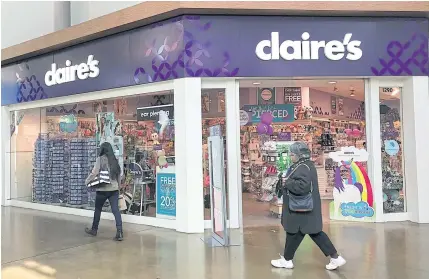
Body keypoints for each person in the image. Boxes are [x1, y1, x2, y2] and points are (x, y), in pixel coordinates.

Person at [271, 142, 346, 270]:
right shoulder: (306, 165)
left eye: (292, 154)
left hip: (300, 208)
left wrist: (287, 182)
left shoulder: (302, 167)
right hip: (305, 208)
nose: (291, 156)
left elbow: (302, 187)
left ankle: (288, 260)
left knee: (297, 232)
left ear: (299, 155)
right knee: (305, 233)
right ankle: (334, 257)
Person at [85, 142, 124, 241]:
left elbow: (94, 172)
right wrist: (118, 186)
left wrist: (87, 181)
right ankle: (119, 232)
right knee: (116, 210)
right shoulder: (115, 160)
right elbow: (119, 175)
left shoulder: (100, 159)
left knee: (98, 209)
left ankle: (94, 230)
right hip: (114, 189)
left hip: (102, 189)